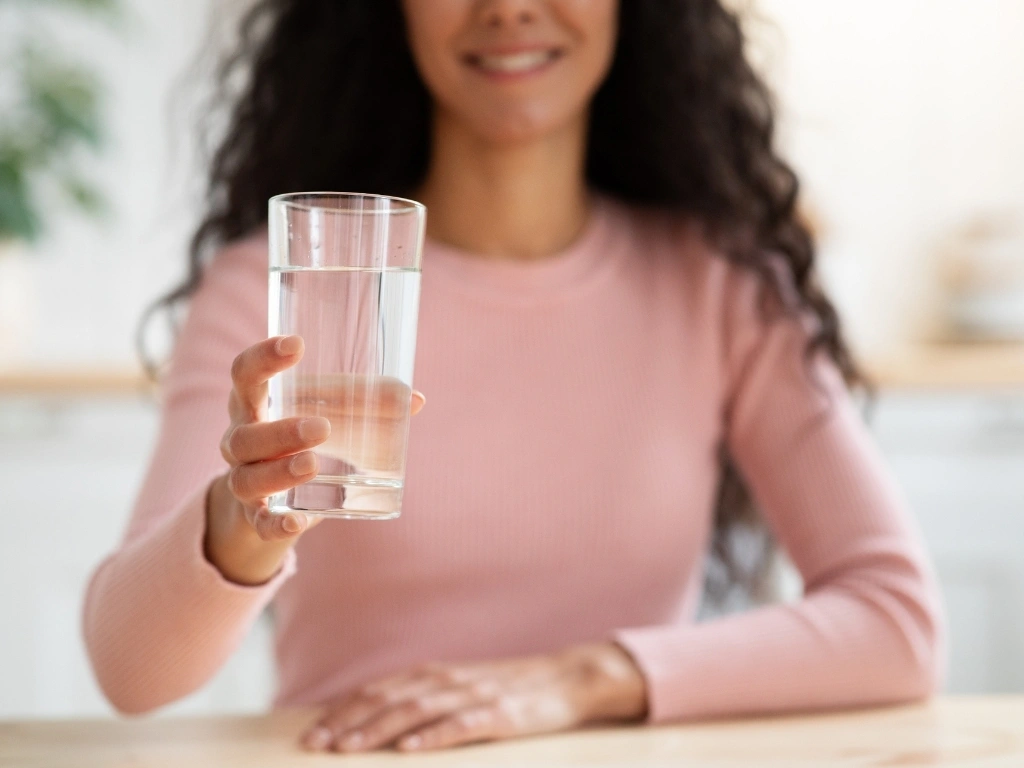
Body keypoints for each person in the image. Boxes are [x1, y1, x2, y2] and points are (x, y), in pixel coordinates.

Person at [82, 0, 945, 754]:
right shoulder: (276, 286)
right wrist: (241, 523)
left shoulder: (721, 285)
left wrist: (585, 678)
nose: (509, 6)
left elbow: (897, 622)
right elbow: (130, 672)